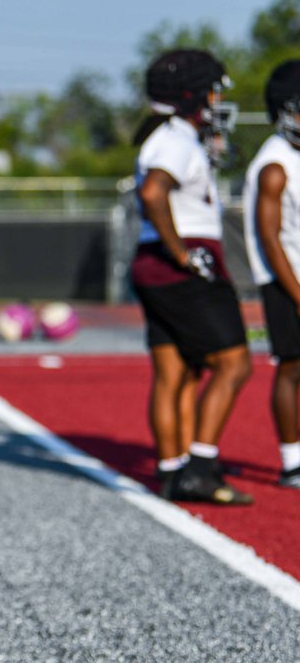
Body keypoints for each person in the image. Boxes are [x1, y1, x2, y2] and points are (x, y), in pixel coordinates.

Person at [130, 49, 252, 505]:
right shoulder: (175, 140)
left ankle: (172, 468)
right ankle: (199, 468)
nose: (217, 99)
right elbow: (153, 191)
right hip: (181, 261)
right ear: (192, 95)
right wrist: (182, 252)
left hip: (153, 261)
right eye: (212, 89)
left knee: (174, 372)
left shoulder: (169, 137)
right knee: (234, 364)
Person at [243, 59, 300, 489]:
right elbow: (271, 238)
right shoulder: (275, 165)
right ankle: (292, 461)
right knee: (292, 368)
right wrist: (297, 294)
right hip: (286, 278)